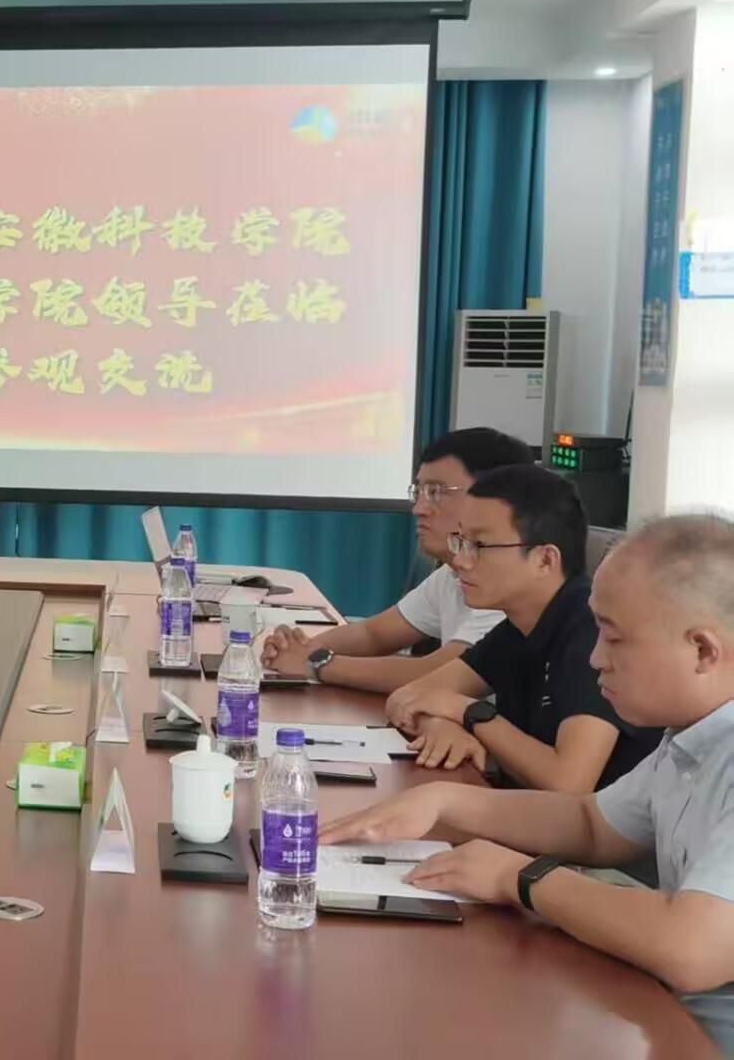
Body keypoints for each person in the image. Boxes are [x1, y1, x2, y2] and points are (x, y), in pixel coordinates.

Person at [325, 514, 734, 1051]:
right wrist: (442, 801)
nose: (596, 660)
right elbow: (592, 824)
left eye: (615, 639)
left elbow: (691, 947)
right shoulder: (691, 738)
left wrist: (520, 877)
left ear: (703, 651)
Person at [384, 463, 659, 790]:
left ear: (545, 559)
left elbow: (568, 783)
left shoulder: (590, 630)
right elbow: (408, 697)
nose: (460, 560)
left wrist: (471, 714)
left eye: (479, 546)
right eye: (461, 541)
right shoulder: (518, 626)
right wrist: (442, 727)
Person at [264, 427, 530, 692]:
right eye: (419, 492)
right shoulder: (451, 573)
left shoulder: (508, 584)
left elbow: (438, 675)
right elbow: (373, 635)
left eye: (436, 492)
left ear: (491, 499)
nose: (419, 509)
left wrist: (315, 663)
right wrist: (298, 649)